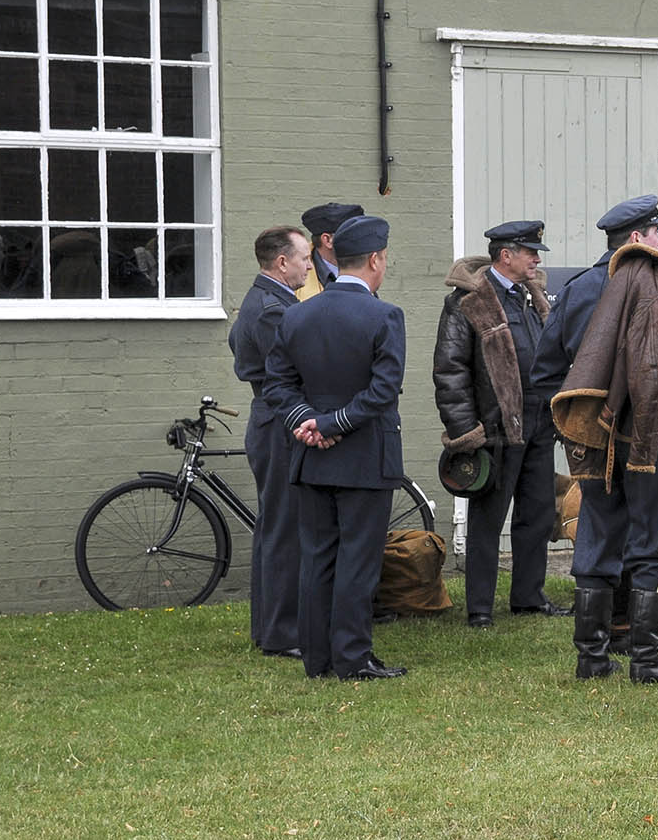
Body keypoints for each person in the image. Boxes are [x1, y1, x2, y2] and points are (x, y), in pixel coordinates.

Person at [537, 195, 658, 684]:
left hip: (592, 437)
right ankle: (648, 662)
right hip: (651, 435)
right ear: (635, 239)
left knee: (598, 534)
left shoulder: (577, 290)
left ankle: (592, 658)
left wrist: (577, 424)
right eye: (654, 235)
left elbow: (544, 373)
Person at [263, 214, 408, 679]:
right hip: (364, 454)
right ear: (375, 260)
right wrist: (334, 424)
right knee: (358, 562)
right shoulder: (384, 315)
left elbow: (277, 385)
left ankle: (317, 656)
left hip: (311, 454)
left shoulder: (297, 313)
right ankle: (351, 657)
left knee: (318, 557)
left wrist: (307, 422)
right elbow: (383, 391)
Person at [433, 219, 567, 630]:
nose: (535, 260)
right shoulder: (467, 302)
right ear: (505, 255)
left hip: (539, 423)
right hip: (493, 429)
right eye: (529, 252)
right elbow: (450, 370)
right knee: (488, 520)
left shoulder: (533, 296)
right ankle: (480, 609)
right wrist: (464, 432)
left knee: (538, 515)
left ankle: (528, 597)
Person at [228, 226, 313, 659]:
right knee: (284, 530)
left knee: (274, 527)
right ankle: (282, 633)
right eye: (304, 258)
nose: (309, 265)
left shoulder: (263, 301)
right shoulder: (271, 309)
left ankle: (270, 628)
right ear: (282, 262)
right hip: (279, 422)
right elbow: (296, 366)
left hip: (270, 418)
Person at [294, 202, 360, 301]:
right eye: (352, 235)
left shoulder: (364, 264)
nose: (361, 240)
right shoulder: (294, 275)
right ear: (328, 240)